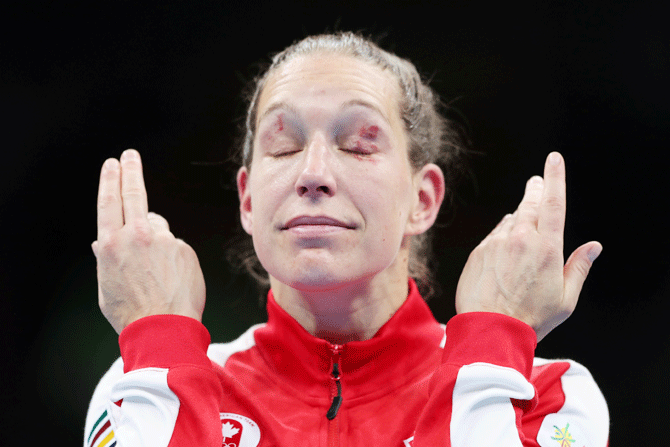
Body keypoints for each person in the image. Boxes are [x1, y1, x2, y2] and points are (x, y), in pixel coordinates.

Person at [85, 32, 609, 447]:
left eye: (359, 145)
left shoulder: (547, 394)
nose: (313, 173)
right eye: (284, 145)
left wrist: (491, 353)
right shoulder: (141, 383)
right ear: (248, 201)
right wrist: (159, 348)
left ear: (422, 200)